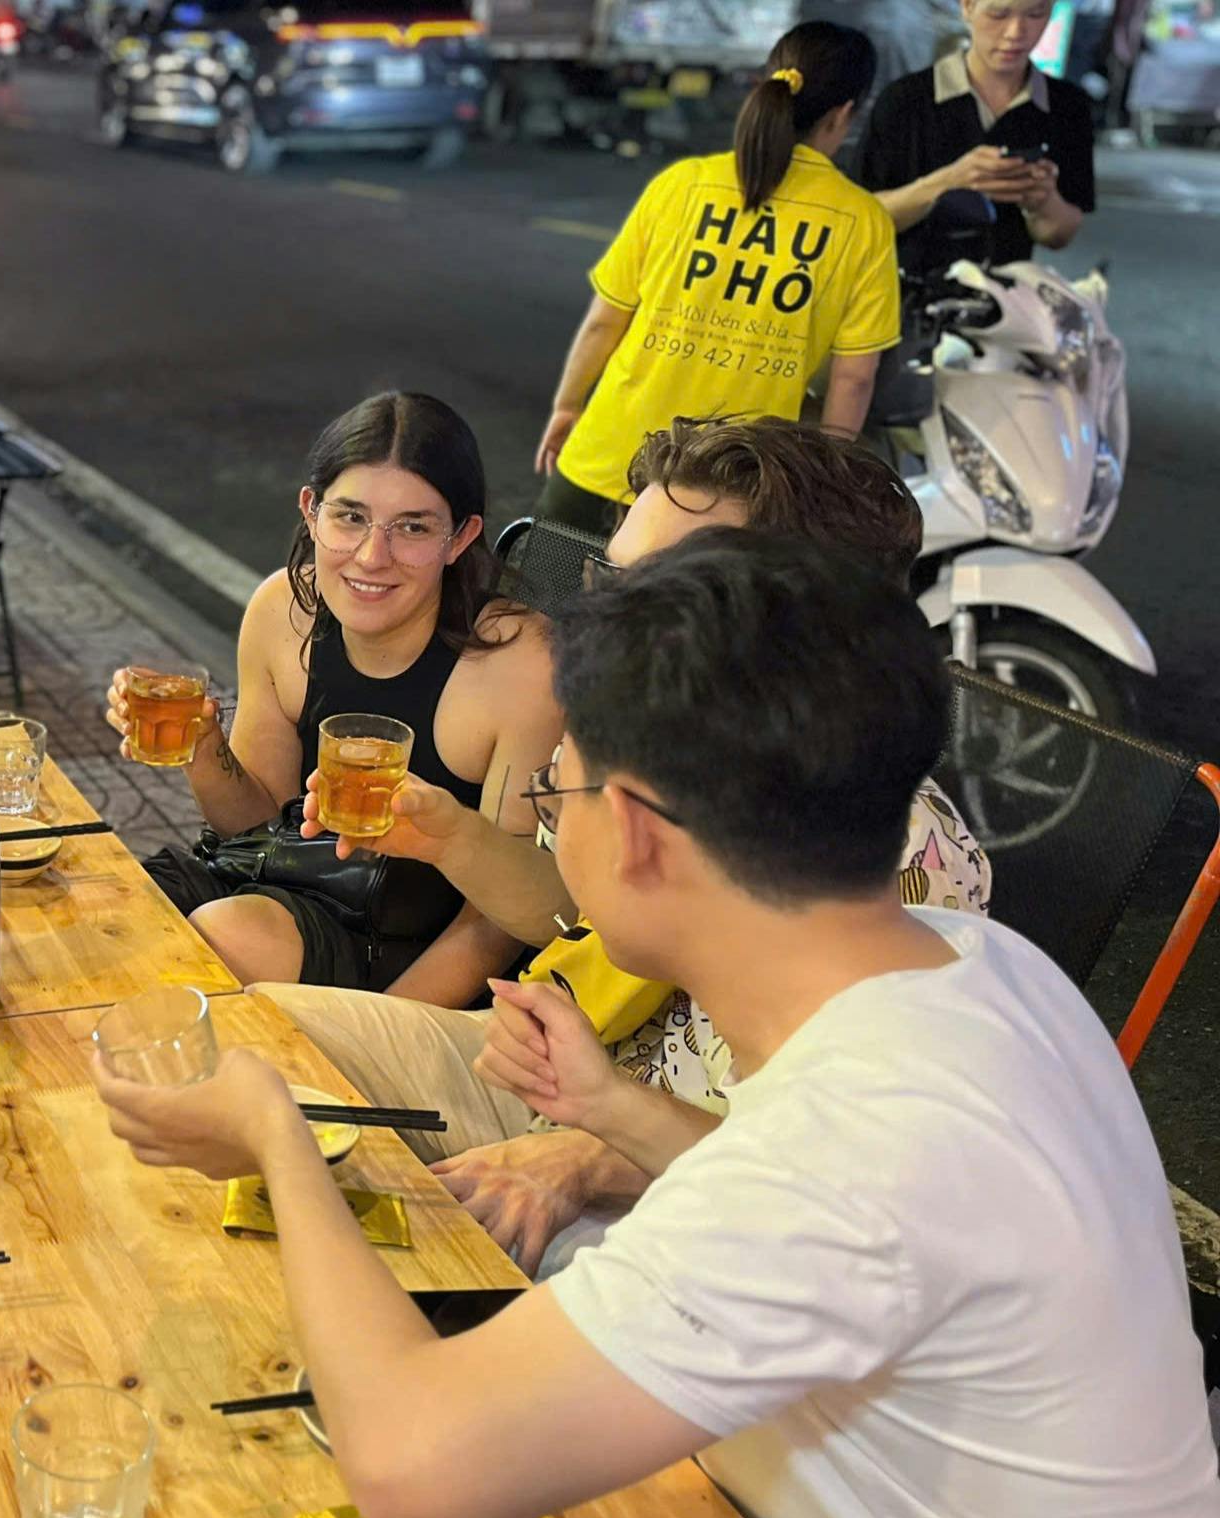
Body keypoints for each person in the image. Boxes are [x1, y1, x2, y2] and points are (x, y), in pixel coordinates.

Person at [97, 530, 1220, 1518]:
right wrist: (613, 1108)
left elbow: (408, 1468)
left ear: (631, 830)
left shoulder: (853, 1149)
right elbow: (835, 1221)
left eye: (554, 793)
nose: (546, 822)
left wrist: (280, 1140)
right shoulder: (969, 961)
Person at [262, 415, 988, 1273]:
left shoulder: (880, 847)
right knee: (262, 1046)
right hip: (555, 1080)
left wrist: (597, 1151)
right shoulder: (652, 747)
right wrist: (454, 839)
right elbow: (570, 913)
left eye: (659, 587)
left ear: (798, 616)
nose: (601, 620)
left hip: (672, 1197)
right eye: (615, 577)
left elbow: (833, 1188)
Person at [122, 392, 562, 1003]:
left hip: (407, 946)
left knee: (222, 940)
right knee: (112, 916)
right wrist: (202, 750)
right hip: (278, 891)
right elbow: (252, 828)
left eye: (412, 527)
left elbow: (497, 925)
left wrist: (382, 1035)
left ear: (460, 539)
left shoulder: (519, 662)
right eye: (350, 517)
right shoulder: (284, 610)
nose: (371, 557)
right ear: (311, 511)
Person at [534, 22, 898, 537]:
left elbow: (603, 322)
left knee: (537, 613)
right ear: (843, 114)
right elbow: (854, 379)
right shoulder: (862, 221)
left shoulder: (682, 184)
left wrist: (569, 406)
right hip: (725, 500)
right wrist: (821, 484)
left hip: (602, 461)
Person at [856, 0, 1096, 279]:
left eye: (1036, 14)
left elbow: (1058, 236)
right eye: (998, 14)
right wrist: (950, 181)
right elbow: (862, 220)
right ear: (967, 7)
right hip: (905, 295)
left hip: (1006, 302)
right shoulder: (906, 100)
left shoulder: (1068, 107)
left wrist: (1042, 200)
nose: (1016, 32)